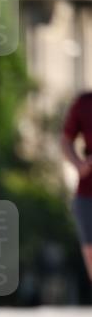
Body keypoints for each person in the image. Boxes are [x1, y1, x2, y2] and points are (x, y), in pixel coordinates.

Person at [61, 91, 92, 283]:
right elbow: (65, 140)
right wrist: (79, 164)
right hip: (88, 188)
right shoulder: (84, 103)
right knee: (90, 249)